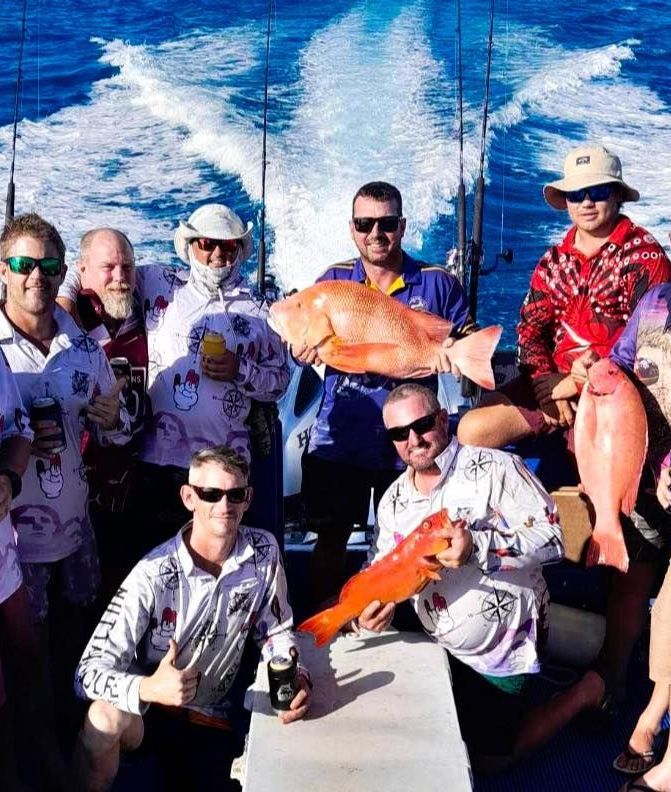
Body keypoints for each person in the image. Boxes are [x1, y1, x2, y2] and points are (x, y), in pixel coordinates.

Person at [356, 383, 609, 771]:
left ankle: (584, 692)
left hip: (500, 647)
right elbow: (378, 566)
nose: (413, 439)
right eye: (398, 433)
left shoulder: (497, 468)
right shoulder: (392, 499)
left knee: (494, 760)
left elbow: (554, 539)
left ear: (443, 418)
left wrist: (478, 546)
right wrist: (376, 609)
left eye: (422, 424)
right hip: (433, 632)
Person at [73, 445, 310, 791]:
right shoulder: (152, 573)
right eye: (210, 494)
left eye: (235, 495)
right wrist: (149, 687)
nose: (224, 506)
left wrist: (296, 677)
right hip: (149, 715)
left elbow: (276, 631)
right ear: (188, 497)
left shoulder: (264, 552)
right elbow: (85, 674)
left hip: (213, 719)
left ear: (248, 499)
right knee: (102, 718)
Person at [292, 181, 474, 605]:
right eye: (364, 223)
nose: (376, 233)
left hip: (411, 441)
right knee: (330, 539)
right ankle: (329, 621)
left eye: (387, 223)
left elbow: (469, 338)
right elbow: (301, 345)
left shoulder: (437, 284)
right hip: (341, 440)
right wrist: (298, 352)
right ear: (352, 228)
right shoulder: (332, 284)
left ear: (403, 225)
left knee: (413, 545)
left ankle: (410, 622)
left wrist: (456, 355)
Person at [457, 144, 670, 450]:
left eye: (597, 191)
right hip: (555, 384)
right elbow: (530, 330)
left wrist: (581, 383)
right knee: (472, 430)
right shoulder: (553, 260)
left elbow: (654, 349)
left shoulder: (644, 257)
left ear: (618, 195)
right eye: (576, 193)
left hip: (618, 390)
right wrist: (547, 388)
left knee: (602, 464)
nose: (586, 202)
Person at [0, 213, 130, 707]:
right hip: (11, 546)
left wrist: (114, 416)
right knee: (23, 666)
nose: (37, 275)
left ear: (61, 273)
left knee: (78, 646)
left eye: (48, 264)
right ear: (3, 271)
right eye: (23, 263)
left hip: (76, 530)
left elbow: (112, 433)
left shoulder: (83, 346)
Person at [599, 283, 671, 787]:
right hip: (646, 482)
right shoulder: (656, 302)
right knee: (645, 588)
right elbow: (620, 364)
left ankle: (652, 724)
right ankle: (626, 693)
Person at [60, 228, 149, 595]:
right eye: (108, 267)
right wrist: (66, 293)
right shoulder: (61, 319)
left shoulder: (150, 312)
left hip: (133, 490)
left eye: (127, 266)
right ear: (81, 270)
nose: (120, 277)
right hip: (71, 494)